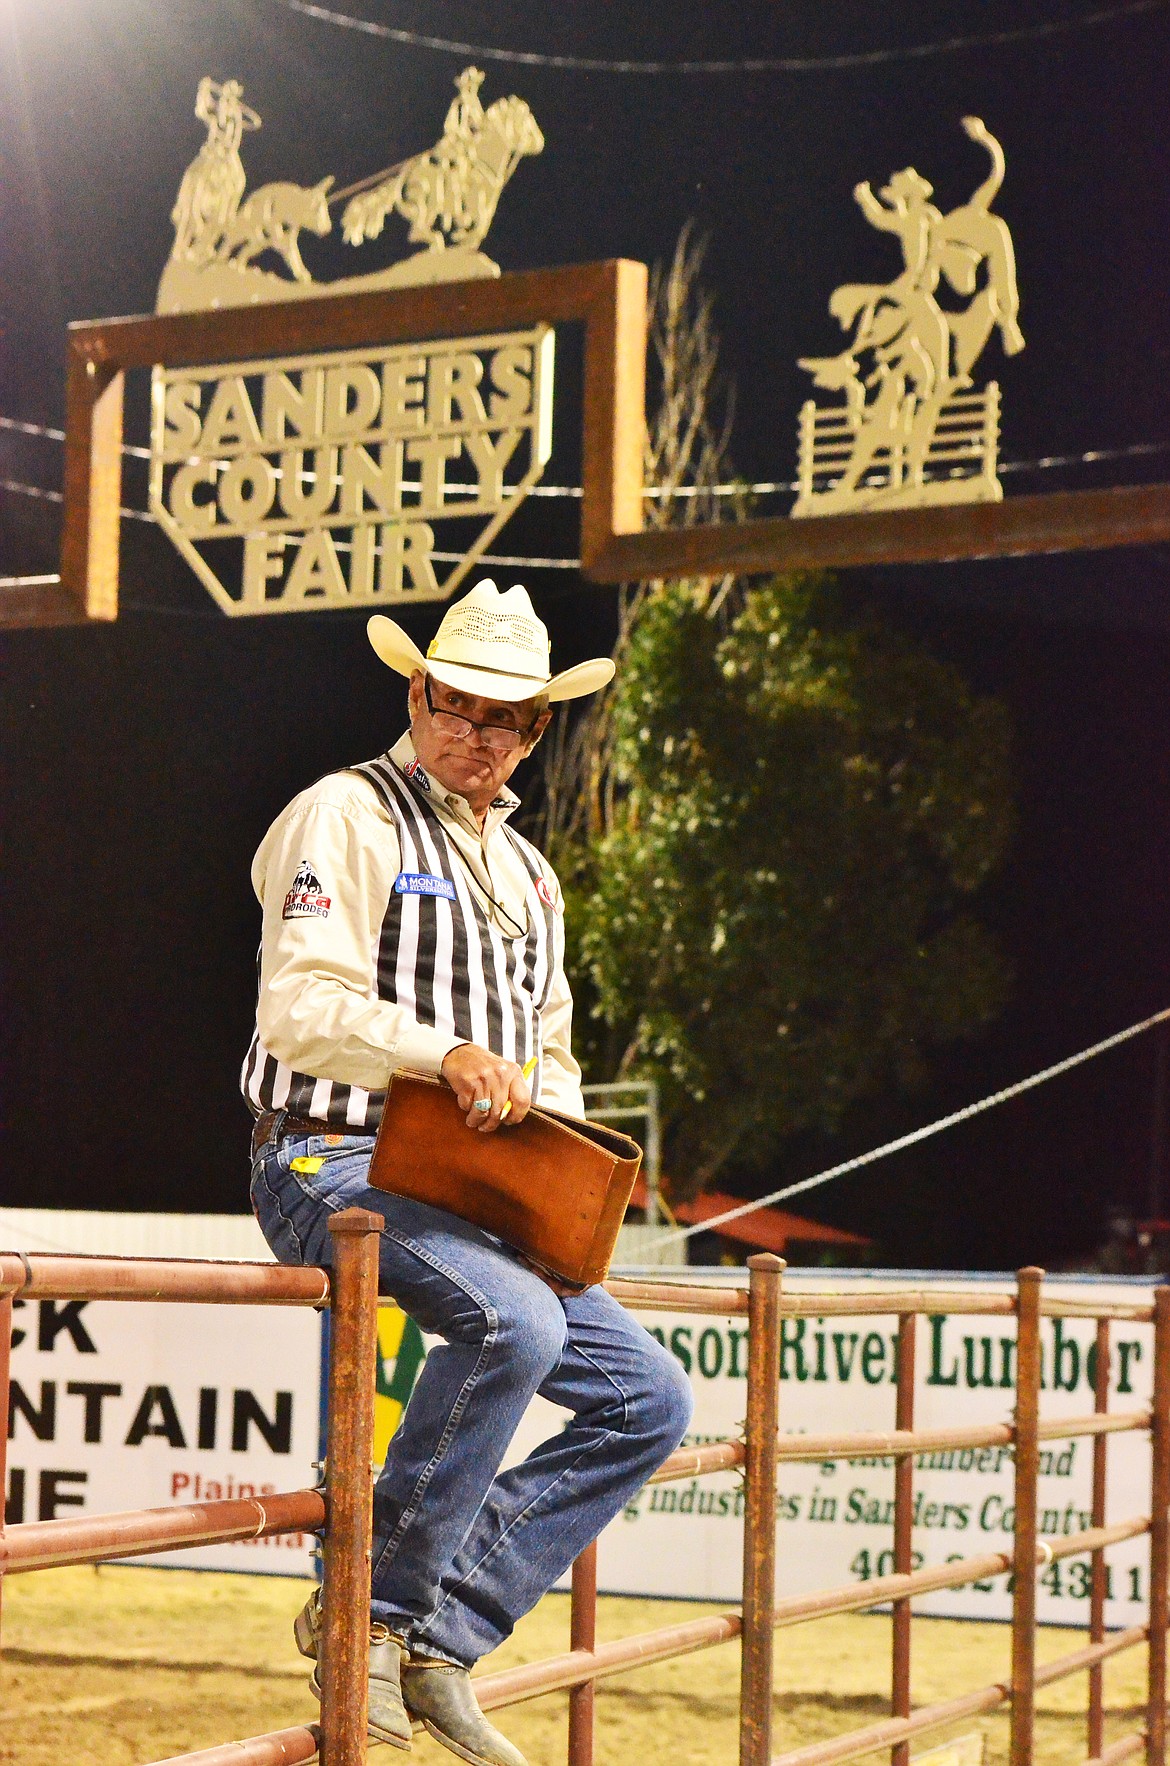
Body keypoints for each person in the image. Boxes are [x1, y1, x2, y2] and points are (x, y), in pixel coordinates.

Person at [245, 580, 693, 1766]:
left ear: (540, 726)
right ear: (418, 691)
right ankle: (370, 1613)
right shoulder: (345, 814)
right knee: (517, 1321)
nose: (476, 732)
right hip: (323, 1154)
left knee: (652, 1396)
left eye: (505, 716)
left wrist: (568, 1159)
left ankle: (441, 1632)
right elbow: (298, 1008)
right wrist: (442, 1052)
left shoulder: (534, 880)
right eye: (457, 703)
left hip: (482, 1191)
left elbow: (551, 1055)